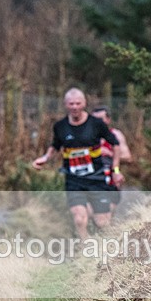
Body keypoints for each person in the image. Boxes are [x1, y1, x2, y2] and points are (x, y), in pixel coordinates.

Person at [32, 88, 123, 239]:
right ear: (65, 104)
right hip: (74, 180)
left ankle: (107, 247)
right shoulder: (60, 126)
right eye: (71, 104)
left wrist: (116, 170)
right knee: (79, 218)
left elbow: (116, 144)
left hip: (96, 178)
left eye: (78, 103)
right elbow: (55, 145)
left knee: (102, 223)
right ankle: (85, 247)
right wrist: (45, 158)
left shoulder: (96, 124)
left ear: (84, 103)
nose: (74, 107)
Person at [91, 105, 132, 214]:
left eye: (100, 119)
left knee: (108, 213)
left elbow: (128, 158)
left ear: (108, 120)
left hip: (111, 176)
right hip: (90, 178)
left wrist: (110, 154)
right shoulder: (86, 137)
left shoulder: (116, 135)